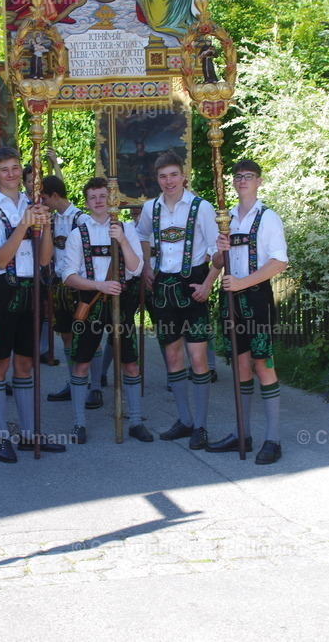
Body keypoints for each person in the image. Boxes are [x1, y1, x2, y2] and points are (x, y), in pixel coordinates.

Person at [0, 146, 64, 463]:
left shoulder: (33, 204)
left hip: (31, 290)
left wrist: (46, 225)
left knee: (25, 364)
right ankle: (1, 437)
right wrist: (24, 225)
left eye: (15, 168)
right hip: (2, 291)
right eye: (5, 169)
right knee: (0, 363)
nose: (12, 174)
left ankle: (28, 435)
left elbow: (44, 259)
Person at [203, 160, 288, 464]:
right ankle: (243, 434)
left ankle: (273, 439)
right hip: (230, 300)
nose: (242, 181)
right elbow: (217, 263)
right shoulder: (227, 219)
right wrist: (220, 250)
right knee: (240, 367)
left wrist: (242, 283)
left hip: (256, 299)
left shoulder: (268, 218)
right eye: (238, 177)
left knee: (262, 365)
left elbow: (279, 262)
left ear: (259, 181)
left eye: (248, 176)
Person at [137, 152, 217, 449]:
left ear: (184, 176)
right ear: (157, 179)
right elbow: (142, 235)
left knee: (198, 359)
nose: (168, 181)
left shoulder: (201, 207)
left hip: (192, 285)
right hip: (162, 287)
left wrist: (208, 283)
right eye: (163, 176)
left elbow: (217, 251)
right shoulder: (151, 208)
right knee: (172, 358)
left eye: (173, 175)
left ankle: (201, 426)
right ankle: (184, 420)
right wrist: (146, 267)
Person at [62, 178, 151, 443]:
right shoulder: (78, 234)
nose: (99, 201)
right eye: (93, 197)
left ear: (112, 200)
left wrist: (122, 240)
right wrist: (99, 285)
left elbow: (136, 268)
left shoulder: (126, 229)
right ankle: (79, 423)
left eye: (103, 196)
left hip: (121, 303)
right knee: (81, 363)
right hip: (90, 302)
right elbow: (68, 275)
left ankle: (135, 421)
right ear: (87, 202)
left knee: (130, 363)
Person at [41, 174, 104, 409]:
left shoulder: (82, 219)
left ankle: (95, 387)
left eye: (44, 198)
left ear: (55, 195)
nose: (42, 203)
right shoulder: (52, 220)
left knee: (89, 338)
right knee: (66, 335)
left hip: (80, 287)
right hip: (59, 285)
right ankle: (74, 382)